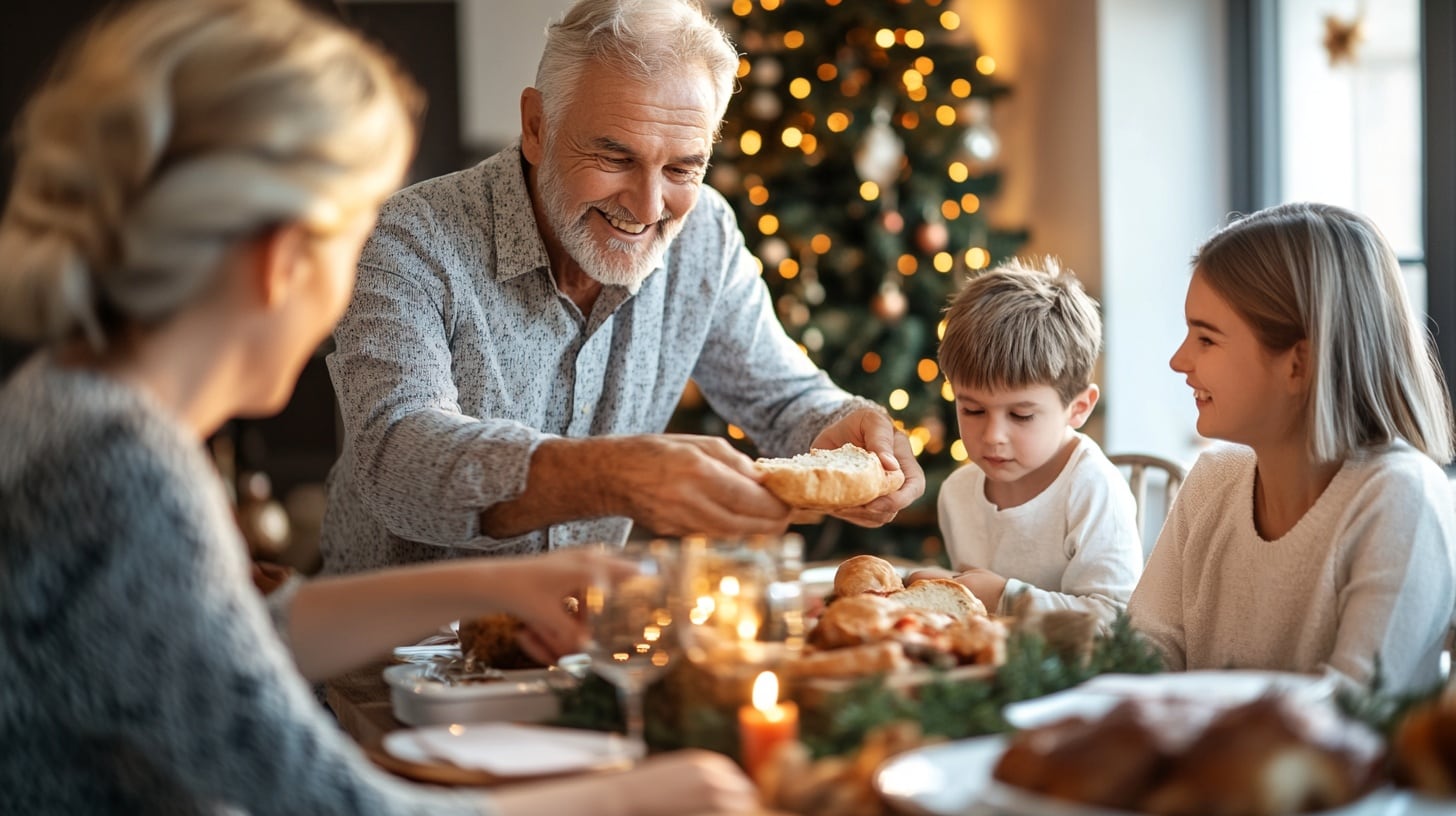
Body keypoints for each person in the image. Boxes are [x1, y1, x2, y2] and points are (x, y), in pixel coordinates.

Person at [0, 0, 759, 812]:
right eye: (354, 230)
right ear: (281, 259)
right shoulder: (123, 470)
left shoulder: (67, 404)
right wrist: (635, 798)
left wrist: (515, 582)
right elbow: (341, 807)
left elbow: (236, 640)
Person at [320, 0, 924, 574]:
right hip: (397, 658)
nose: (648, 205)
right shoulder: (406, 237)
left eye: (683, 167)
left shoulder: (705, 230)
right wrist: (608, 475)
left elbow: (783, 398)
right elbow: (395, 457)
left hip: (579, 641)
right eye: (614, 159)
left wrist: (842, 425)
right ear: (536, 126)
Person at [1128, 202, 1456, 693]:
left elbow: (1350, 712)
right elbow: (1140, 655)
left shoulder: (1399, 498)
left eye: (1207, 339)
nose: (1179, 360)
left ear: (1298, 364)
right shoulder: (1212, 480)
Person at [906, 258, 1142, 630]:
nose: (992, 436)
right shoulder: (958, 492)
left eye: (1021, 416)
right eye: (972, 409)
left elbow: (1115, 621)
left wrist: (1005, 597)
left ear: (1077, 408)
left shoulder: (1092, 488)